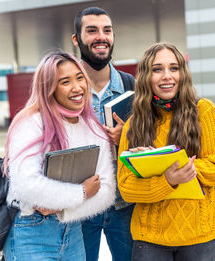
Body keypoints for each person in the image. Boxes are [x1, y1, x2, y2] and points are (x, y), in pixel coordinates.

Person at [117, 42, 215, 261]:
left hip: (199, 236)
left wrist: (161, 164)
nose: (167, 76)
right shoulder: (133, 124)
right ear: (147, 76)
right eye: (157, 69)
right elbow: (127, 189)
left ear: (182, 73)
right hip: (149, 239)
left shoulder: (204, 111)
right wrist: (167, 180)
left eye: (174, 68)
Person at [2, 51, 116, 260]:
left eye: (79, 78)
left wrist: (62, 208)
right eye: (65, 82)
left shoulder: (93, 128)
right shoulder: (31, 122)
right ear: (49, 88)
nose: (77, 87)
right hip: (31, 231)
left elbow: (107, 190)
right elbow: (26, 185)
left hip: (73, 230)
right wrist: (82, 193)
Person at [71, 7, 135, 261]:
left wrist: (126, 137)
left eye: (107, 30)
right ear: (76, 39)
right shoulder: (64, 89)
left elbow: (153, 144)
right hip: (80, 206)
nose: (101, 36)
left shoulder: (133, 87)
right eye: (92, 30)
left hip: (124, 205)